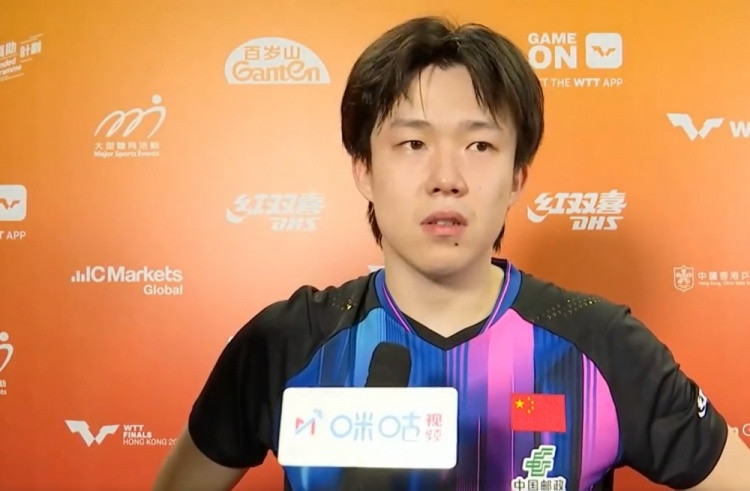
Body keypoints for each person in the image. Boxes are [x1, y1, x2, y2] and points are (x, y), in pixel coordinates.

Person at [153, 16, 750, 491]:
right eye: (413, 143)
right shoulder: (285, 344)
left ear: (517, 177)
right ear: (364, 170)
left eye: (480, 145)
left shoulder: (603, 346)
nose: (447, 178)